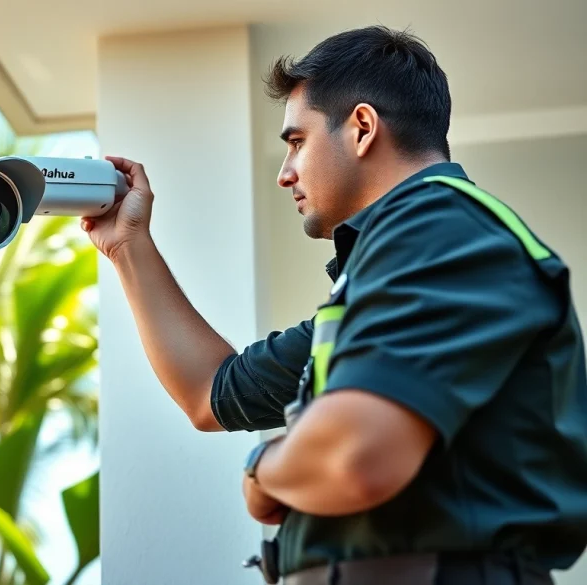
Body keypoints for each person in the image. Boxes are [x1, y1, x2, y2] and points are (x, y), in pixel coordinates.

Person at [80, 25, 587, 585]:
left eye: (296, 142)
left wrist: (262, 470)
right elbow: (211, 392)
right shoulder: (386, 280)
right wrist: (128, 245)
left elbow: (357, 456)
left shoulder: (442, 228)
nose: (284, 172)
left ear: (362, 128)